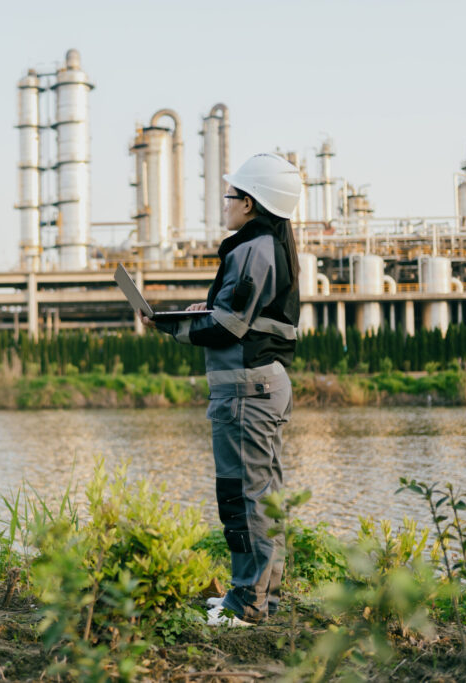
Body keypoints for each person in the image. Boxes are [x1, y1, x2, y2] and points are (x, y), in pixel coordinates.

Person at [144, 152, 302, 627]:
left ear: (250, 203)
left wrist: (169, 325)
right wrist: (207, 308)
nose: (226, 203)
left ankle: (247, 605)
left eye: (232, 195)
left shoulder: (249, 248)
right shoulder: (272, 243)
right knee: (265, 494)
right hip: (263, 384)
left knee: (243, 495)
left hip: (245, 391)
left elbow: (230, 327)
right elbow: (245, 315)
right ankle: (260, 597)